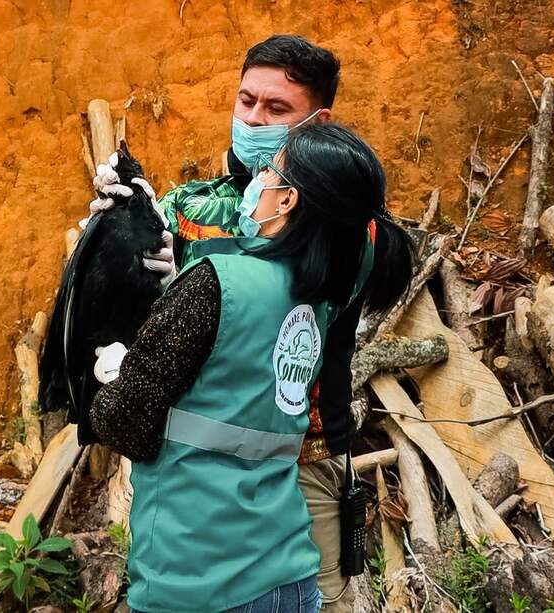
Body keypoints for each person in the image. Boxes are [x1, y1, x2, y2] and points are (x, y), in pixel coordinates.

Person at [90, 35, 373, 611]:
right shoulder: (193, 203)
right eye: (246, 102)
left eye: (276, 110)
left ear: (319, 122)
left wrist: (184, 276)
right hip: (198, 474)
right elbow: (151, 326)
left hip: (305, 463)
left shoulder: (345, 221)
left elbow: (274, 284)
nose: (253, 119)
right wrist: (126, 225)